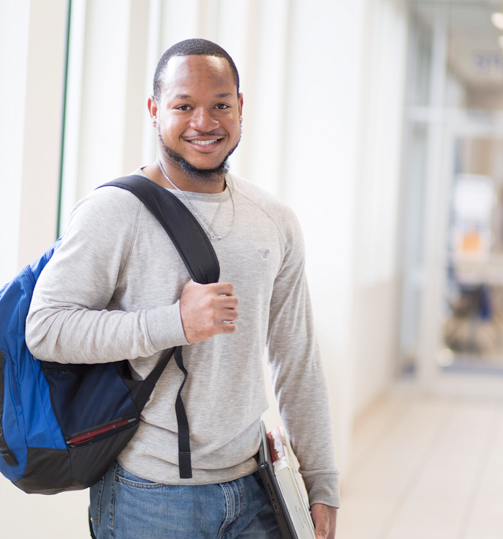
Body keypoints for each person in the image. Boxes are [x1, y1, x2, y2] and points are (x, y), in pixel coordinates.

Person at [26, 38, 339, 539]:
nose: (204, 122)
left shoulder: (274, 221)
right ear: (154, 110)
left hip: (255, 485)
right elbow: (47, 328)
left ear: (241, 109)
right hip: (149, 493)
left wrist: (320, 479)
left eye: (220, 105)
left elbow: (295, 355)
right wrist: (174, 323)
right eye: (183, 106)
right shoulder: (115, 211)